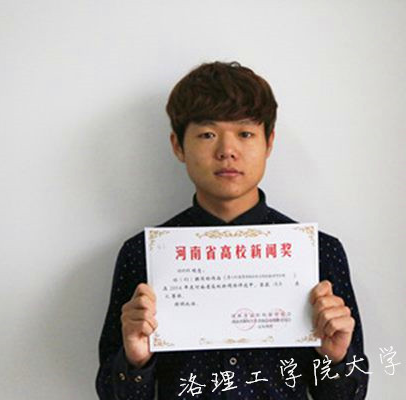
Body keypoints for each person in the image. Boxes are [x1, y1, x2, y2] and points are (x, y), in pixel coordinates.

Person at [96, 61, 369, 399]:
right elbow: (110, 392)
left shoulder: (317, 251)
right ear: (178, 146)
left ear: (269, 143)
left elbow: (349, 395)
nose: (227, 151)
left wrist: (336, 358)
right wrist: (136, 360)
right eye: (207, 134)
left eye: (245, 134)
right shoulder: (142, 253)